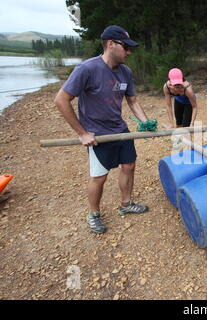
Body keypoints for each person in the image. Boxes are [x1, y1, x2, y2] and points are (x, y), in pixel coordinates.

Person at [54, 25, 150, 234]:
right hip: (97, 134)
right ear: (110, 44)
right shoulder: (87, 69)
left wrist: (145, 122)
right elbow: (61, 99)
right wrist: (82, 133)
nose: (129, 52)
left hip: (120, 129)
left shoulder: (126, 72)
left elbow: (132, 101)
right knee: (99, 177)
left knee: (129, 165)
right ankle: (94, 214)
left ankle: (126, 203)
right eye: (126, 47)